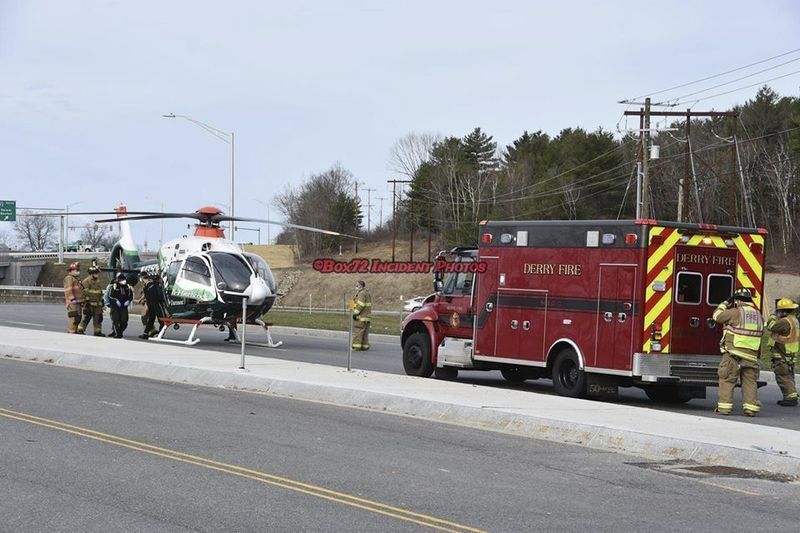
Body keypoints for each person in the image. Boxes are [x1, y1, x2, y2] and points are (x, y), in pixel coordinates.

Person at [712, 287, 764, 416]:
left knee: (727, 379)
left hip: (734, 353)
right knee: (750, 383)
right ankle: (750, 409)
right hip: (751, 356)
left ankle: (724, 408)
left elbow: (717, 316)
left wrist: (725, 303)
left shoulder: (735, 312)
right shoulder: (759, 315)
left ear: (738, 301)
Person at [765, 298, 799, 407]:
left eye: (779, 311)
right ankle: (792, 394)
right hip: (789, 353)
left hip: (782, 353)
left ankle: (790, 397)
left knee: (783, 375)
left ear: (783, 311)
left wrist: (772, 316)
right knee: (788, 375)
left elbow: (771, 326)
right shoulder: (793, 320)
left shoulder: (785, 321)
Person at [78, 265, 106, 336]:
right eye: (96, 273)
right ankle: (80, 329)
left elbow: (99, 292)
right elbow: (84, 292)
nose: (97, 274)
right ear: (92, 273)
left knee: (98, 318)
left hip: (97, 304)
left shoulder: (97, 281)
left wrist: (102, 300)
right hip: (89, 304)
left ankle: (97, 331)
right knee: (86, 318)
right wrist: (86, 301)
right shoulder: (86, 281)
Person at [138, 273, 166, 339]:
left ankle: (150, 333)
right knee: (155, 319)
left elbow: (159, 295)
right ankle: (148, 333)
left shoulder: (153, 285)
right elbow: (146, 296)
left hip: (155, 303)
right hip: (152, 304)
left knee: (159, 319)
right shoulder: (148, 285)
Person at [107, 272, 134, 338]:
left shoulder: (127, 287)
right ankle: (117, 334)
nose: (123, 281)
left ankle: (119, 331)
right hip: (115, 306)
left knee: (124, 321)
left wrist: (128, 301)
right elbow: (110, 296)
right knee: (116, 320)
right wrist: (116, 301)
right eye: (121, 280)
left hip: (124, 306)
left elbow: (130, 296)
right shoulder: (114, 286)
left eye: (124, 280)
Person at [63, 262, 85, 334]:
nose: (78, 271)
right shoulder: (69, 278)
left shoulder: (76, 279)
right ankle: (71, 331)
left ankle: (75, 331)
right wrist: (72, 299)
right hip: (72, 302)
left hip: (78, 302)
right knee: (73, 317)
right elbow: (68, 289)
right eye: (76, 270)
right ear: (72, 270)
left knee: (78, 317)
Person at [351, 280, 372, 351]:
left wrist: (355, 313)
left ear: (361, 286)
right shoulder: (366, 293)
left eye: (357, 285)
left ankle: (356, 346)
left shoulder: (362, 293)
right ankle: (364, 346)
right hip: (367, 317)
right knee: (365, 333)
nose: (356, 287)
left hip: (361, 317)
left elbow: (361, 305)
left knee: (358, 331)